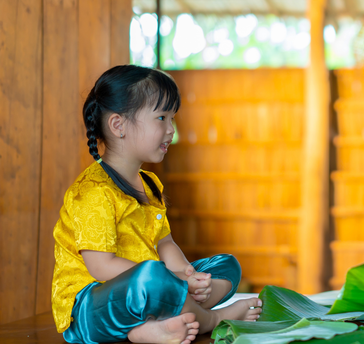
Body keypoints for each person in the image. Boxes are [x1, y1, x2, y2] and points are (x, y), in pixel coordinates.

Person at [52, 65, 262, 344]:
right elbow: (101, 267)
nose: (171, 130)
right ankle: (211, 319)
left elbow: (165, 244)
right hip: (91, 309)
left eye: (172, 118)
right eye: (161, 117)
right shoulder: (92, 192)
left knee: (226, 266)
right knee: (152, 278)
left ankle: (152, 327)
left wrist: (190, 276)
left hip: (152, 287)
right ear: (118, 125)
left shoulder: (150, 184)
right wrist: (175, 280)